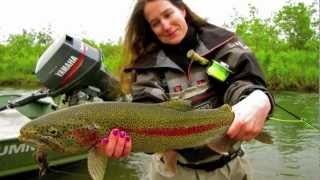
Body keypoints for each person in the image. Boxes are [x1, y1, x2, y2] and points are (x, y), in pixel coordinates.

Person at [99, 0, 274, 179]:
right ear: (150, 29)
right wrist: (134, 139)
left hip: (231, 168)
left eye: (168, 14)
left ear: (182, 10)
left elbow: (244, 80)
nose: (165, 26)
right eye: (155, 23)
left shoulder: (221, 42)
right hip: (172, 172)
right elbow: (146, 107)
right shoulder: (146, 66)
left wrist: (256, 98)